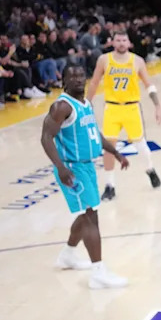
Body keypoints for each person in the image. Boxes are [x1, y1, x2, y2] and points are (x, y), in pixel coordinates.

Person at [40, 65, 129, 289]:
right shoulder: (61, 106)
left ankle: (68, 255)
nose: (79, 79)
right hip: (72, 168)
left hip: (87, 166)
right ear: (64, 79)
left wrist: (115, 152)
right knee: (91, 217)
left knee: (86, 214)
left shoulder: (86, 103)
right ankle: (98, 273)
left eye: (81, 75)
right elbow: (46, 138)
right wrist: (60, 167)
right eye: (73, 76)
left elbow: (94, 133)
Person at [86, 31, 161, 201]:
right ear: (113, 43)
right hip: (112, 109)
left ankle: (150, 169)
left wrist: (157, 105)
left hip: (132, 108)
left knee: (140, 144)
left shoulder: (137, 61)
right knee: (108, 147)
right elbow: (94, 82)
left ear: (129, 43)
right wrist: (85, 104)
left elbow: (148, 85)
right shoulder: (104, 60)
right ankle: (110, 185)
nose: (121, 43)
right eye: (118, 40)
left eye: (124, 40)